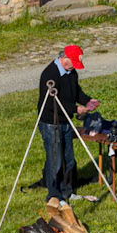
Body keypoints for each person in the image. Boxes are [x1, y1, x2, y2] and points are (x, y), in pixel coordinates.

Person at [36, 44, 97, 203]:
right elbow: (52, 104)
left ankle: (67, 192)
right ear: (64, 58)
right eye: (72, 64)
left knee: (69, 159)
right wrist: (76, 109)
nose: (73, 68)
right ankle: (54, 196)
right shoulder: (50, 75)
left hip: (66, 122)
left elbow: (75, 91)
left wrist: (87, 101)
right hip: (51, 123)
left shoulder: (70, 72)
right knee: (55, 161)